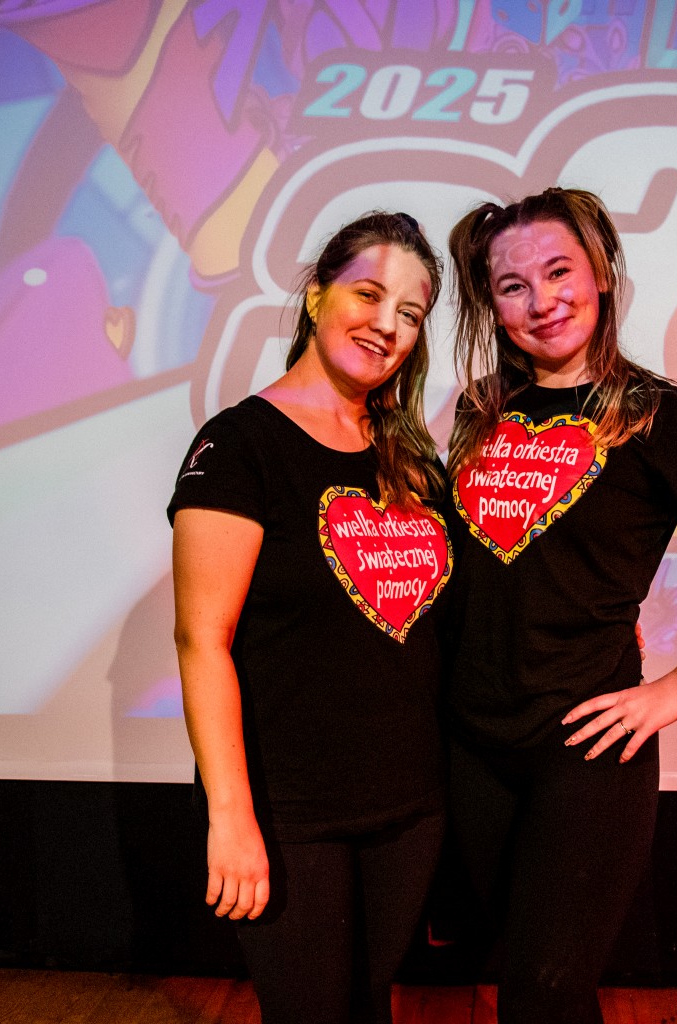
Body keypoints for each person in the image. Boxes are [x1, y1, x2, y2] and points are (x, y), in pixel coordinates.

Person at [443, 187, 677, 1023]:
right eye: (512, 286)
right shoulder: (478, 411)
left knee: (541, 996)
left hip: (585, 750)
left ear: (601, 274)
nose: (542, 300)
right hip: (470, 747)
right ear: (492, 306)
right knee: (530, 981)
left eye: (559, 271)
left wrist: (675, 690)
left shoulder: (658, 415)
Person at [168, 212, 453, 1024]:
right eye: (369, 294)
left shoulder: (410, 456)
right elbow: (201, 641)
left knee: (369, 1007)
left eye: (410, 313)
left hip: (410, 809)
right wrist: (232, 818)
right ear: (318, 294)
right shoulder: (239, 446)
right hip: (290, 813)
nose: (388, 325)